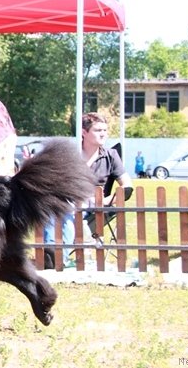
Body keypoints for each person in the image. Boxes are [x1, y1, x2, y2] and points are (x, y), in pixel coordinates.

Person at [42, 112, 133, 268]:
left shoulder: (111, 156)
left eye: (105, 130)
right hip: (69, 201)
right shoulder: (71, 155)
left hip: (95, 205)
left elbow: (127, 186)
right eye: (98, 130)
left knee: (70, 215)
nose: (103, 134)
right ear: (84, 133)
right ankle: (51, 254)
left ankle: (58, 258)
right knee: (53, 210)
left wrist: (104, 200)